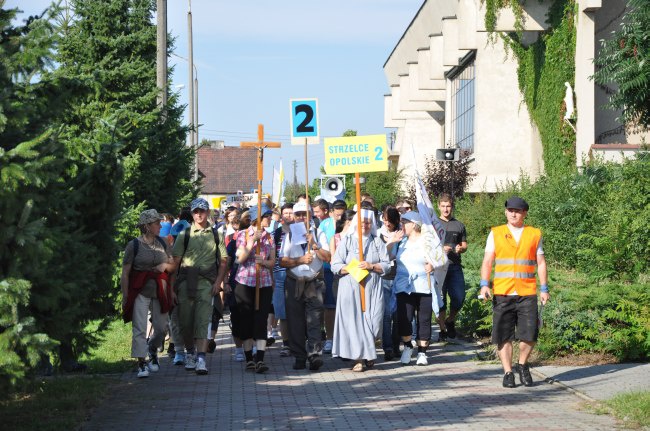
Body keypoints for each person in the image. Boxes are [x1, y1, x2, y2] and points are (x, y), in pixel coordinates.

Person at [480, 196, 549, 388]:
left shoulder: (534, 234)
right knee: (503, 335)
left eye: (517, 211)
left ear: (524, 213)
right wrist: (484, 284)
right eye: (510, 210)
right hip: (503, 291)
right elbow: (487, 261)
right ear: (505, 212)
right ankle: (508, 372)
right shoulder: (496, 233)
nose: (513, 213)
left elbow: (541, 263)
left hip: (527, 291)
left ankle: (522, 365)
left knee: (530, 333)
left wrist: (544, 288)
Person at [170, 198, 227, 375]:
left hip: (206, 283)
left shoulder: (217, 235)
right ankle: (189, 353)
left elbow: (224, 261)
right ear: (192, 213)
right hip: (186, 282)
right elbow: (175, 264)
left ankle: (201, 358)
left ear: (208, 212)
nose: (199, 214)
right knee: (186, 322)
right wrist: (171, 289)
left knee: (203, 320)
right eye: (196, 211)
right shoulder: (184, 234)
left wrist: (218, 282)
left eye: (202, 211)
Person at [331, 209, 390, 371]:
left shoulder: (377, 241)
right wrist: (351, 268)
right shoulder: (347, 241)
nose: (365, 225)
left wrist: (372, 266)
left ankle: (368, 351)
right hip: (351, 288)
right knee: (355, 324)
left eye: (368, 222)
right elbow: (335, 265)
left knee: (375, 322)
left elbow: (386, 265)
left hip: (373, 288)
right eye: (362, 222)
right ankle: (359, 358)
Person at [120, 209, 174, 378]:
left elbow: (173, 266)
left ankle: (152, 350)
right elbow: (125, 273)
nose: (160, 225)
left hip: (160, 290)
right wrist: (125, 295)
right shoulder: (134, 245)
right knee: (139, 327)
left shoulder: (163, 242)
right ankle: (142, 363)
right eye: (157, 223)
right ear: (147, 226)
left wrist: (165, 266)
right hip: (140, 291)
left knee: (161, 327)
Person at [279, 201, 331, 371]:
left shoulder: (319, 232)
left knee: (315, 320)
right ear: (293, 217)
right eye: (298, 214)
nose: (301, 218)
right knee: (296, 322)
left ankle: (314, 355)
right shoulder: (289, 236)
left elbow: (328, 257)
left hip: (314, 282)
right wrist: (299, 260)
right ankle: (299, 356)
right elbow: (282, 261)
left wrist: (314, 245)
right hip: (294, 282)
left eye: (305, 214)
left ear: (311, 216)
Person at [390, 211, 436, 366]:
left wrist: (433, 265)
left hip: (424, 284)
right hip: (404, 285)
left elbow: (441, 258)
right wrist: (391, 242)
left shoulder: (427, 240)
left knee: (424, 319)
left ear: (414, 224)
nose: (402, 225)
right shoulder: (400, 241)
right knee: (404, 318)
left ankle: (422, 352)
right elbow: (387, 256)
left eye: (405, 222)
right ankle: (408, 346)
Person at [234, 206, 276, 373]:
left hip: (263, 282)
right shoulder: (242, 235)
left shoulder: (269, 237)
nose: (270, 219)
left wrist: (264, 262)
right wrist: (251, 243)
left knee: (261, 319)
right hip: (245, 282)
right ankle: (248, 358)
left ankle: (260, 358)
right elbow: (240, 258)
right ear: (258, 218)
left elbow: (273, 261)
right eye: (267, 216)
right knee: (246, 320)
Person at [436, 193, 468, 341]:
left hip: (454, 266)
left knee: (459, 297)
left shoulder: (459, 225)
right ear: (438, 207)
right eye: (443, 206)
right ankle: (442, 328)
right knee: (440, 299)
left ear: (452, 207)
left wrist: (460, 248)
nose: (446, 209)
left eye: (448, 206)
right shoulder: (433, 224)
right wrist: (441, 249)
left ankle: (450, 319)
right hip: (438, 266)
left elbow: (464, 245)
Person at [377, 205, 402, 361]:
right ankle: (387, 348)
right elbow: (381, 255)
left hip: (399, 277)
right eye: (385, 220)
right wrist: (391, 241)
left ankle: (395, 345)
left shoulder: (402, 233)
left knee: (398, 315)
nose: (387, 224)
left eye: (390, 221)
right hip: (385, 277)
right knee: (386, 315)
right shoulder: (378, 234)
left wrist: (396, 240)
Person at [271, 203, 294, 357]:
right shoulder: (276, 233)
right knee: (282, 312)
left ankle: (298, 340)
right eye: (285, 213)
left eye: (291, 213)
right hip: (279, 274)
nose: (288, 216)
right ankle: (286, 343)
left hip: (296, 272)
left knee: (298, 310)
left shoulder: (301, 232)